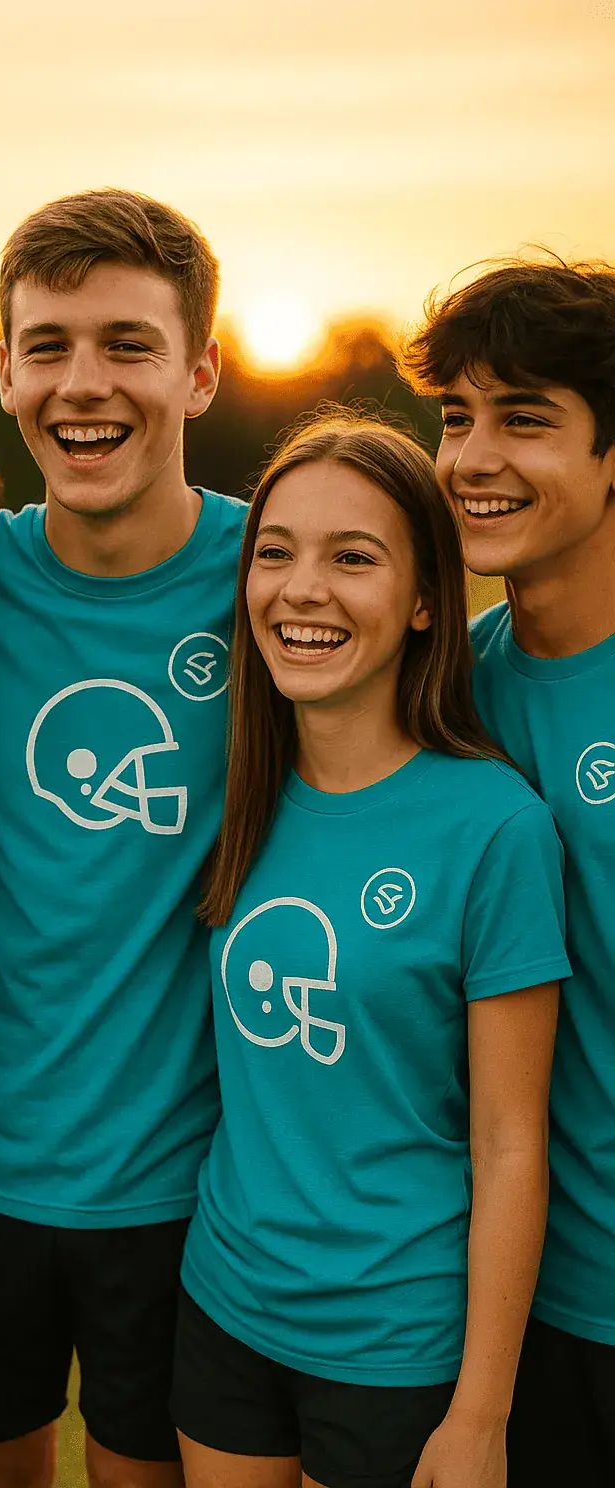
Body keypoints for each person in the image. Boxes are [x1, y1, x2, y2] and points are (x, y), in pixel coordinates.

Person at [0, 188, 244, 1488]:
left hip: (187, 1187)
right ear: (3, 371)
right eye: (46, 345)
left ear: (200, 371)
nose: (81, 383)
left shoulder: (274, 576)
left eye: (126, 343)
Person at [170, 416, 570, 1488]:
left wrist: (481, 1412)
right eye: (275, 552)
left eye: (353, 558)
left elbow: (509, 1141)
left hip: (397, 1347)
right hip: (225, 1306)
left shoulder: (493, 827)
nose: (302, 590)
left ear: (427, 600)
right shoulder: (237, 793)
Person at [401, 258, 615, 1486]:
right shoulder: (446, 693)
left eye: (523, 420)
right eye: (454, 419)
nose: (472, 458)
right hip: (507, 1318)